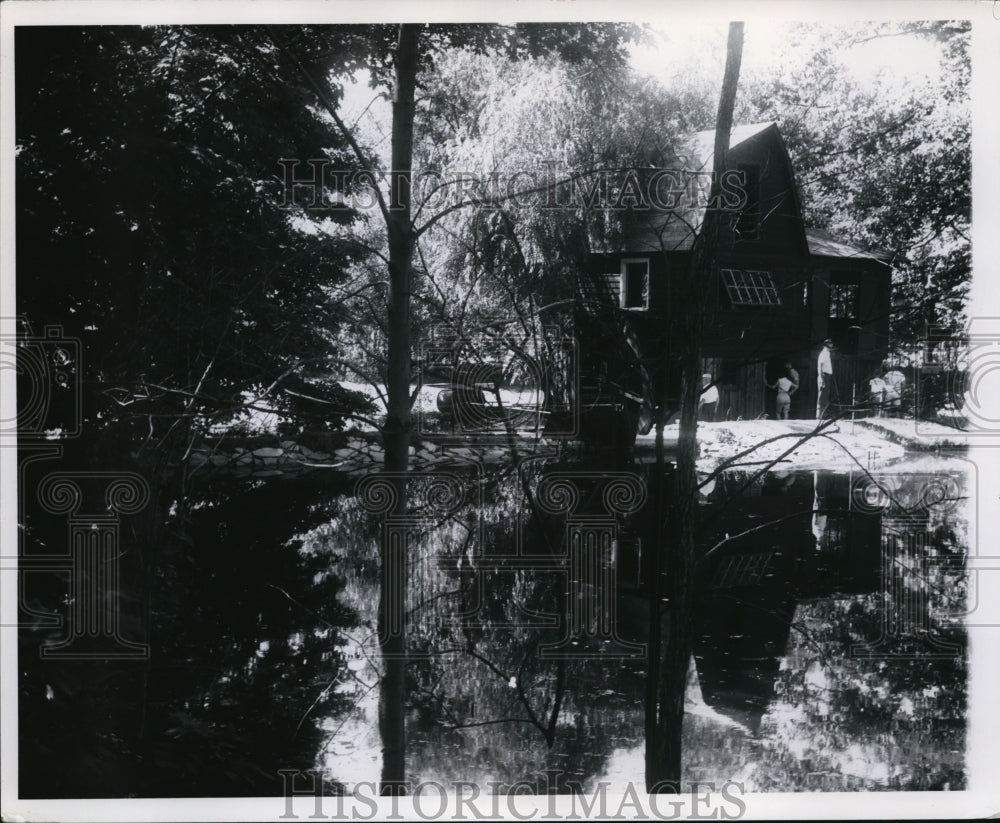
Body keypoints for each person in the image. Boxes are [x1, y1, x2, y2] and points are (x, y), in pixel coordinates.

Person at [816, 339, 834, 418]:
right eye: (830, 344)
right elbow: (820, 366)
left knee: (825, 396)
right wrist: (822, 378)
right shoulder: (824, 353)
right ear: (826, 345)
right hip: (824, 375)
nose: (831, 345)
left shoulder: (827, 353)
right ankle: (820, 415)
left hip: (827, 376)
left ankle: (823, 414)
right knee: (822, 396)